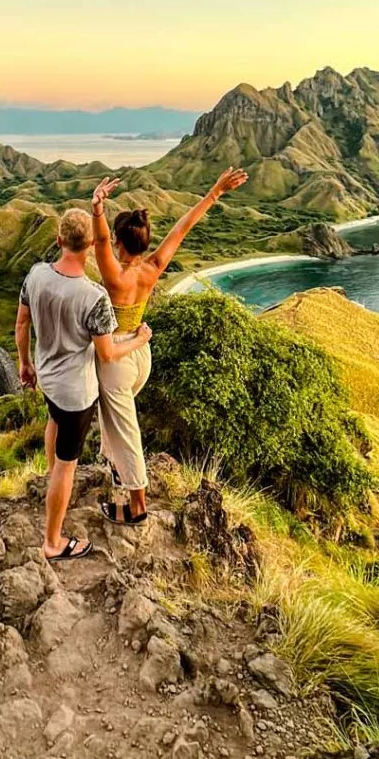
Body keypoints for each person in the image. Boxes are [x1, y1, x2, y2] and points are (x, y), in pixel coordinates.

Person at [90, 166, 249, 525]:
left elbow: (98, 242)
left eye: (113, 240)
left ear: (119, 241)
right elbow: (183, 228)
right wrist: (215, 192)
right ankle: (116, 469)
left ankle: (137, 506)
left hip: (117, 357)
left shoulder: (115, 276)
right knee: (116, 422)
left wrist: (97, 208)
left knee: (125, 429)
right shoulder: (154, 267)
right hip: (141, 353)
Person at [15, 207, 153, 562]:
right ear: (91, 245)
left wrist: (25, 364)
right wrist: (140, 339)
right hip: (76, 390)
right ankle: (52, 541)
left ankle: (53, 489)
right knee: (67, 464)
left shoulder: (35, 276)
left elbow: (21, 324)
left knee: (53, 423)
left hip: (47, 377)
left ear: (59, 240)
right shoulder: (94, 296)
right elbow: (107, 355)